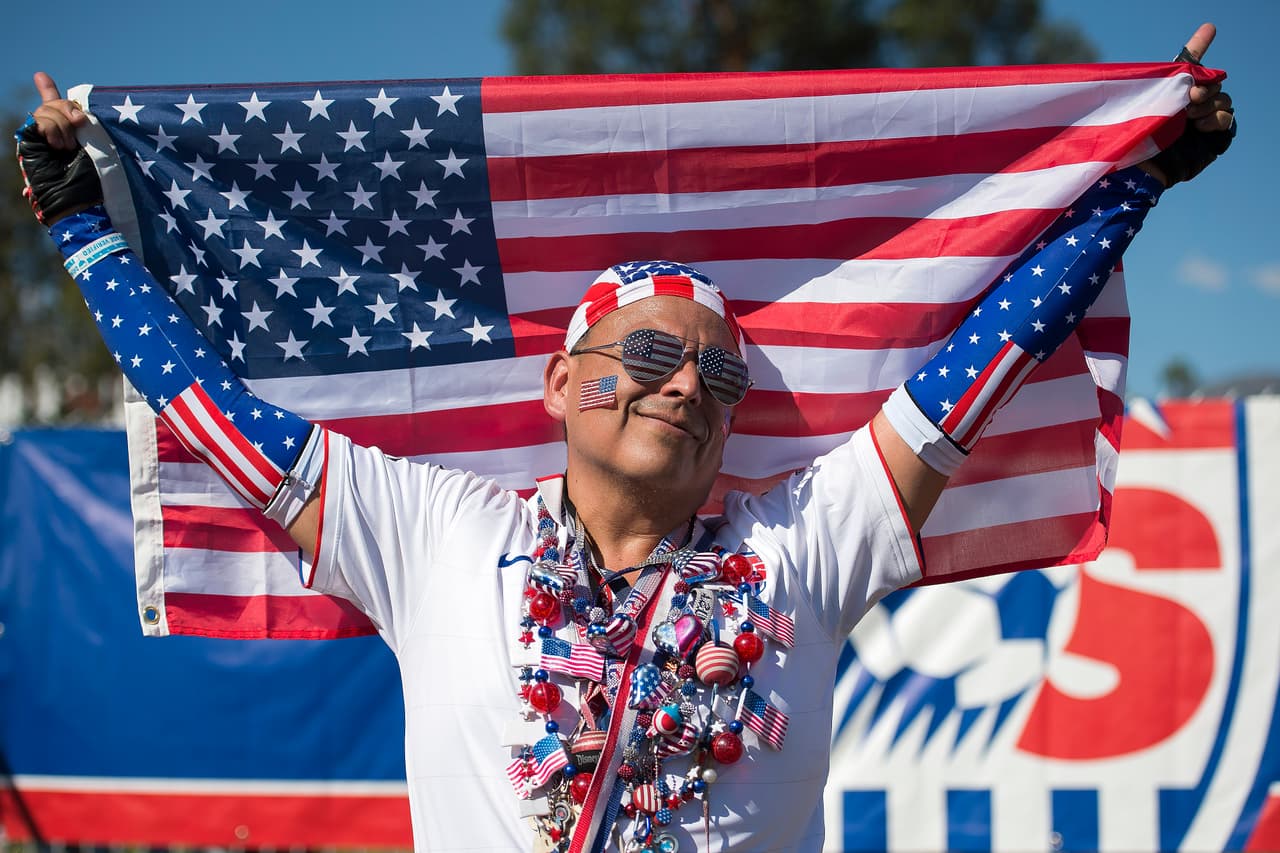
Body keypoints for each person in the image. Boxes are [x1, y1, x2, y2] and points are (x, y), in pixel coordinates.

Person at [18, 24, 1234, 853]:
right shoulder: (438, 535)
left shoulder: (799, 547)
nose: (683, 386)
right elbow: (213, 418)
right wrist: (83, 231)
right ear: (559, 382)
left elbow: (981, 366)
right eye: (647, 357)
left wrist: (1135, 173)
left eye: (716, 373)